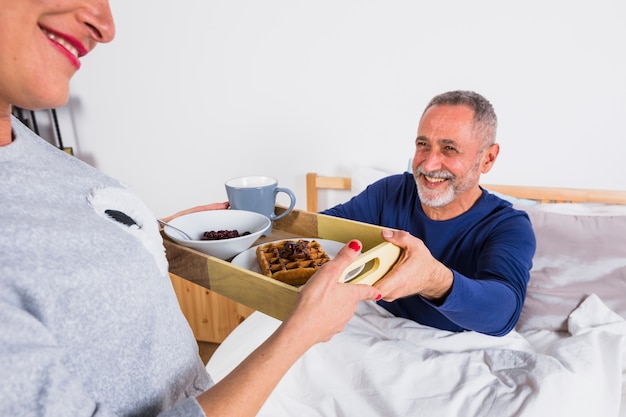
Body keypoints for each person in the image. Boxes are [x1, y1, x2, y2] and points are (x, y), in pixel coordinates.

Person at [0, 2, 381, 417]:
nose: (106, 26)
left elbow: (70, 251)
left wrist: (159, 230)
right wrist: (302, 330)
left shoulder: (22, 139)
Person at [322, 90, 536, 337]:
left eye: (449, 149)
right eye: (423, 145)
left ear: (487, 159)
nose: (429, 164)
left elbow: (503, 312)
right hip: (377, 328)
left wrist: (434, 279)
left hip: (456, 346)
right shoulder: (390, 192)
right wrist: (273, 219)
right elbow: (322, 227)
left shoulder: (508, 226)